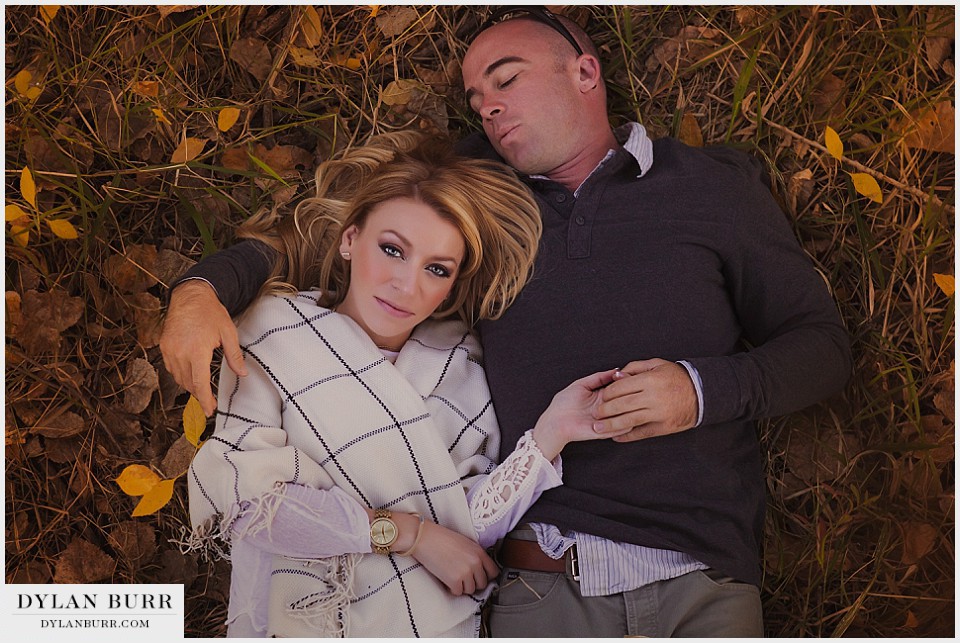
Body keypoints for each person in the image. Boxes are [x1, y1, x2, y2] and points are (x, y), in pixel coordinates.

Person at [166, 7, 852, 638]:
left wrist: (699, 390)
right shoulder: (474, 184)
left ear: (585, 72)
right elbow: (336, 233)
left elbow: (821, 348)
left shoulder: (710, 186)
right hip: (542, 581)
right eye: (475, 99)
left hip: (700, 572)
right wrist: (201, 288)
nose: (488, 107)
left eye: (506, 80)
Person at [186, 130, 631, 638]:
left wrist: (552, 433)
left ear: (450, 287)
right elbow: (251, 507)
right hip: (303, 617)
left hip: (434, 622)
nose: (407, 284)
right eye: (393, 250)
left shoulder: (458, 363)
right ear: (350, 239)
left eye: (436, 269)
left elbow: (468, 525)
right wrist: (412, 535)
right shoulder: (275, 331)